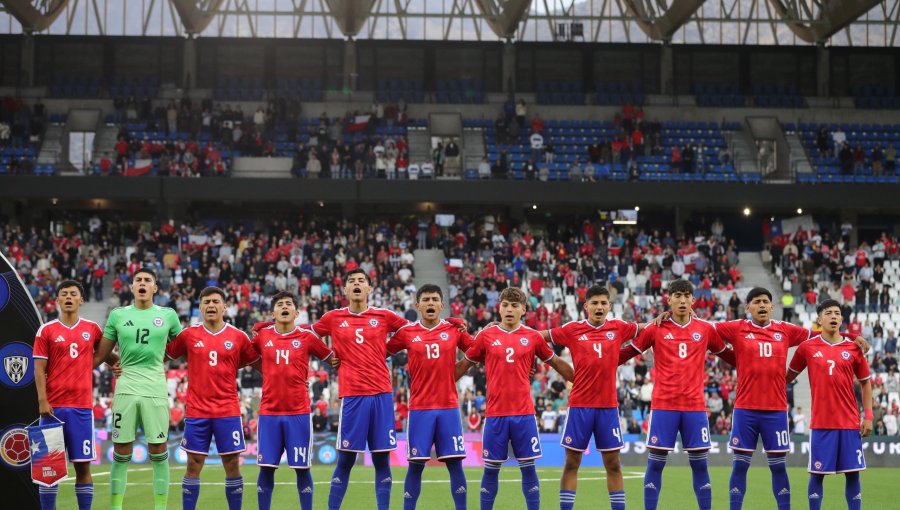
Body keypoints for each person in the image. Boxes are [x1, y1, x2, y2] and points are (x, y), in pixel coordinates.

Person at [708, 287, 869, 510]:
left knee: (778, 467)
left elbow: (820, 334)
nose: (762, 305)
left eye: (766, 301)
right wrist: (727, 354)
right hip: (745, 408)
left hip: (776, 410)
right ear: (748, 307)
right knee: (740, 465)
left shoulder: (785, 330)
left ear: (772, 307)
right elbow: (705, 329)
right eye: (757, 301)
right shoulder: (737, 328)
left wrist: (852, 336)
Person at [455, 287, 574, 510]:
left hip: (524, 414)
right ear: (499, 308)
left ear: (524, 310)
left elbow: (556, 362)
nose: (509, 309)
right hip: (495, 415)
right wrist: (438, 381)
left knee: (528, 468)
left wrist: (580, 380)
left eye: (514, 306)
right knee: (491, 469)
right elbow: (464, 364)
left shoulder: (532, 336)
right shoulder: (487, 336)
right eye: (505, 305)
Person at [618, 279, 729, 510]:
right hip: (663, 406)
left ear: (693, 300)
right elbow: (627, 353)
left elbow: (731, 357)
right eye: (677, 295)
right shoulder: (656, 328)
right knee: (655, 464)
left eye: (686, 295)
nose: (682, 300)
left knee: (700, 465)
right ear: (669, 300)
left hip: (695, 408)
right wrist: (598, 361)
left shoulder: (706, 329)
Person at [540, 285, 653, 510]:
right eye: (595, 303)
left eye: (603, 303)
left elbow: (646, 328)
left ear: (609, 306)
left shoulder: (619, 327)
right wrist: (506, 330)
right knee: (572, 463)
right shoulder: (573, 329)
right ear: (586, 306)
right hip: (579, 406)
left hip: (608, 407)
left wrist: (663, 320)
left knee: (613, 464)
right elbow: (537, 336)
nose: (599, 307)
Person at [312, 268, 410, 510]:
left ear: (369, 289)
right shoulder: (333, 317)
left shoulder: (384, 316)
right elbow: (306, 336)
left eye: (361, 281)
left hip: (381, 395)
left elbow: (411, 331)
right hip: (353, 396)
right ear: (345, 290)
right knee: (345, 459)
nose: (356, 284)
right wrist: (325, 355)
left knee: (381, 459)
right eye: (351, 281)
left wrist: (388, 349)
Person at [93, 268, 183, 510]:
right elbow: (101, 354)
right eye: (138, 280)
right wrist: (75, 370)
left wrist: (160, 358)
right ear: (132, 287)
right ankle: (115, 507)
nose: (143, 283)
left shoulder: (168, 315)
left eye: (148, 281)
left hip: (155, 387)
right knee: (122, 449)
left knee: (159, 448)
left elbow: (183, 346)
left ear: (155, 288)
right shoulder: (118, 315)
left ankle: (160, 507)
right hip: (126, 387)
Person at [165, 287, 260, 510]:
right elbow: (163, 355)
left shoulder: (238, 336)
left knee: (232, 464)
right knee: (193, 464)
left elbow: (259, 363)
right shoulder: (188, 335)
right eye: (206, 301)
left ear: (224, 307)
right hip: (197, 411)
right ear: (199, 307)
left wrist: (291, 378)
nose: (210, 305)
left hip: (227, 410)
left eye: (215, 301)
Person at [385, 284, 473, 510]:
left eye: (435, 299)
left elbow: (479, 350)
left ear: (442, 306)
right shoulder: (407, 333)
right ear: (418, 305)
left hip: (449, 408)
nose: (431, 303)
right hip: (420, 409)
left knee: (455, 464)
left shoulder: (455, 330)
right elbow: (380, 352)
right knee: (416, 465)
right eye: (426, 299)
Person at [33, 280, 118, 510]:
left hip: (81, 409)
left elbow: (106, 352)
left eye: (73, 294)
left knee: (83, 467)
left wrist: (118, 364)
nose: (69, 297)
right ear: (57, 300)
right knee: (48, 468)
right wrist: (42, 399)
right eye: (64, 294)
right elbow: (39, 369)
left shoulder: (91, 328)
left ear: (81, 300)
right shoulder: (46, 330)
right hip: (53, 409)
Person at [253, 292, 337, 510]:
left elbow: (333, 359)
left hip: (298, 413)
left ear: (297, 312)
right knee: (266, 468)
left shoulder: (306, 337)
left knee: (302, 469)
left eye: (288, 304)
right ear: (273, 313)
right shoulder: (262, 336)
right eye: (279, 304)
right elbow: (245, 356)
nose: (284, 307)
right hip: (269, 414)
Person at [786, 299, 873, 510]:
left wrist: (869, 416)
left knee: (853, 474)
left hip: (849, 423)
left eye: (837, 313)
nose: (833, 316)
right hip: (822, 423)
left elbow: (866, 383)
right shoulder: (807, 348)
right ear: (819, 319)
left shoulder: (853, 348)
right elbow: (786, 378)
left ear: (842, 318)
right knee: (817, 474)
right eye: (828, 313)